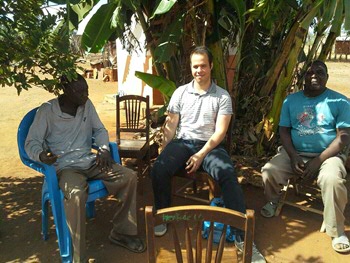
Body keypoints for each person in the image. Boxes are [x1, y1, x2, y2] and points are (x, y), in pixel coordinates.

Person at [151, 46, 266, 262]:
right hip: (183, 143)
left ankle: (242, 236)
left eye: (203, 65)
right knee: (159, 168)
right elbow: (172, 124)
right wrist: (163, 150)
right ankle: (163, 215)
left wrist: (201, 154)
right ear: (191, 68)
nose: (199, 70)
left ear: (211, 66)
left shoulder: (222, 96)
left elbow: (220, 132)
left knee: (228, 175)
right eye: (195, 66)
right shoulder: (180, 92)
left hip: (210, 146)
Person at [25, 74, 145, 263]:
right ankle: (78, 257)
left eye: (86, 89)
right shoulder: (47, 111)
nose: (86, 94)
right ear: (65, 90)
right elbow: (31, 142)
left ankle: (122, 233)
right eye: (80, 91)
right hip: (66, 168)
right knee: (76, 195)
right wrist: (41, 155)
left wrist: (104, 149)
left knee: (128, 176)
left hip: (90, 161)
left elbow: (100, 130)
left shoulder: (86, 105)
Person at [261, 60, 350, 253]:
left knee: (332, 179)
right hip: (295, 153)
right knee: (269, 171)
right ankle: (273, 200)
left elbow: (343, 137)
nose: (314, 76)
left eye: (320, 72)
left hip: (328, 155)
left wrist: (318, 160)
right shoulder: (291, 101)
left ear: (327, 77)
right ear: (304, 77)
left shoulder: (341, 101)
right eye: (309, 73)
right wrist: (293, 156)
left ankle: (337, 230)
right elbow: (284, 131)